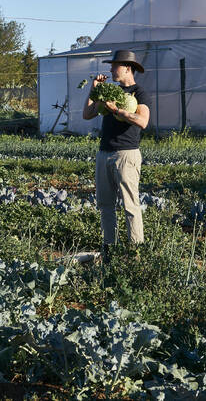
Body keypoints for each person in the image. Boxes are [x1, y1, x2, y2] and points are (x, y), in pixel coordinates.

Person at [82, 50, 151, 257]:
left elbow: (143, 121)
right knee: (105, 205)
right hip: (104, 153)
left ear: (127, 68)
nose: (111, 69)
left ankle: (135, 253)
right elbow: (87, 114)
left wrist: (117, 111)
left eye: (115, 66)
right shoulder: (110, 92)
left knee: (130, 205)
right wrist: (94, 90)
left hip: (126, 155)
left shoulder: (139, 93)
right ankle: (109, 251)